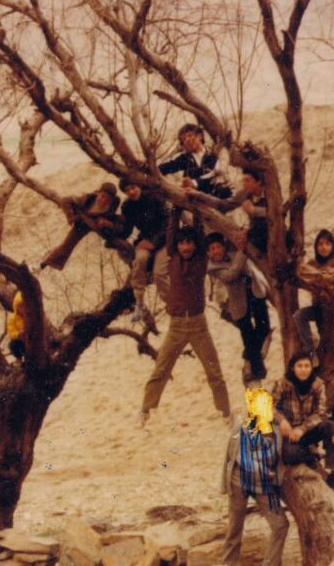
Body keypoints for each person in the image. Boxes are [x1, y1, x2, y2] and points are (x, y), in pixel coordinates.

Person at [140, 213, 232, 428]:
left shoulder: (201, 260)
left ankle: (226, 412)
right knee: (161, 368)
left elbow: (200, 236)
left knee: (214, 372)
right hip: (176, 326)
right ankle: (145, 409)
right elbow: (171, 235)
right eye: (182, 243)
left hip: (199, 326)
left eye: (189, 243)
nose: (185, 247)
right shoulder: (173, 259)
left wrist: (193, 209)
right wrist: (174, 210)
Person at [221, 387, 288, 566]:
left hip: (263, 485)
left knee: (280, 524)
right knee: (235, 525)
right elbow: (243, 458)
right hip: (239, 481)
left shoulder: (275, 428)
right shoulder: (243, 425)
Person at [205, 231, 271, 384]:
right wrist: (241, 253)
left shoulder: (233, 252)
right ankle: (257, 368)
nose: (216, 251)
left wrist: (240, 251)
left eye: (218, 247)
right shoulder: (212, 267)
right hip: (237, 302)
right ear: (208, 253)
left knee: (263, 327)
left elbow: (239, 265)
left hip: (253, 291)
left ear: (223, 247)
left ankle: (249, 353)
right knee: (247, 334)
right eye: (212, 249)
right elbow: (231, 275)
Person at [270, 351, 334, 488]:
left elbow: (320, 412)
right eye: (299, 366)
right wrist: (282, 420)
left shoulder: (318, 384)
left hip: (308, 429)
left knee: (330, 426)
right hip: (289, 432)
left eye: (307, 366)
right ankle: (312, 455)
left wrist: (302, 429)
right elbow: (270, 406)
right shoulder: (282, 383)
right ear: (293, 368)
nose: (303, 370)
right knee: (289, 456)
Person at [116, 178, 170, 322]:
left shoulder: (155, 198)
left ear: (139, 185)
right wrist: (108, 229)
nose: (131, 192)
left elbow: (168, 223)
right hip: (145, 240)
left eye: (133, 187)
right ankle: (139, 303)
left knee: (159, 273)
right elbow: (126, 230)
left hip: (164, 240)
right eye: (127, 191)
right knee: (139, 262)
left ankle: (172, 303)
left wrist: (154, 243)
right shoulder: (127, 206)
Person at [40, 183, 121, 271]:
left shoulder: (112, 207)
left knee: (115, 230)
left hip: (96, 224)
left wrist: (107, 223)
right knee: (68, 244)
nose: (103, 201)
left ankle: (49, 259)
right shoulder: (87, 199)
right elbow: (65, 200)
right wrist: (70, 216)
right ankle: (47, 262)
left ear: (112, 201)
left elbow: (112, 218)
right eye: (102, 196)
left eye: (108, 200)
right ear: (98, 193)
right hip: (82, 222)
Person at [293, 229, 334, 360]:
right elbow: (302, 272)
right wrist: (326, 275)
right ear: (316, 247)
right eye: (320, 244)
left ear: (333, 245)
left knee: (329, 341)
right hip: (318, 306)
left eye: (328, 244)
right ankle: (310, 353)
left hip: (333, 308)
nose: (324, 247)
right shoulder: (313, 263)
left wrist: (318, 275)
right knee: (299, 316)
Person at [158, 123, 232, 200]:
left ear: (200, 136)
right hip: (191, 200)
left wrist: (194, 183)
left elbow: (217, 174)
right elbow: (169, 166)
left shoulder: (213, 154)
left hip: (213, 199)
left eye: (189, 135)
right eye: (183, 140)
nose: (187, 140)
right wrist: (151, 168)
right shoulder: (185, 158)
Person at [231, 167, 269, 256]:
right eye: (243, 181)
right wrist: (199, 194)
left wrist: (254, 210)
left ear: (258, 181)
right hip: (256, 238)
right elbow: (223, 204)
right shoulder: (244, 193)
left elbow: (279, 213)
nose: (244, 184)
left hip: (272, 236)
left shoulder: (270, 193)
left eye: (247, 181)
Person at [6, 290, 25, 360]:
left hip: (31, 340)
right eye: (21, 306)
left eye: (24, 306)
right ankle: (19, 359)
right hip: (20, 341)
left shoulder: (30, 317)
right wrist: (19, 334)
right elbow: (11, 333)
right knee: (12, 344)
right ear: (16, 307)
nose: (23, 308)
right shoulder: (12, 318)